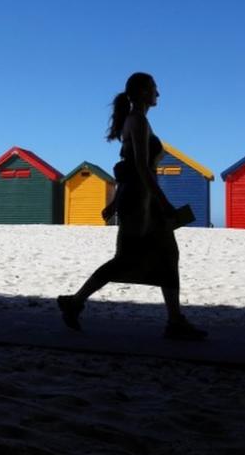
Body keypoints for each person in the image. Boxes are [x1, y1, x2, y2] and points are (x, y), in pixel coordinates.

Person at [57, 72, 208, 341]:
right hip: (140, 201)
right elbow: (140, 166)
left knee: (167, 255)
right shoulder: (137, 121)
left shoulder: (138, 121)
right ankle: (75, 301)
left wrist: (117, 201)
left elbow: (129, 169)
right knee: (128, 259)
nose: (158, 94)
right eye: (154, 88)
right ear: (141, 92)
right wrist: (164, 203)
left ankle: (174, 321)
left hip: (140, 198)